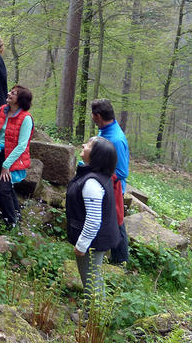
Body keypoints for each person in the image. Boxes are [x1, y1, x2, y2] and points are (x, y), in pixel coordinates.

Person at [66, 136, 121, 302]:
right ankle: (94, 312)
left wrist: (82, 244)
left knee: (91, 280)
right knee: (93, 277)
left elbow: (94, 219)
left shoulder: (92, 183)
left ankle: (95, 314)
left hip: (93, 241)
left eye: (89, 145)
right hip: (96, 239)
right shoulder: (97, 176)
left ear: (97, 155)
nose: (84, 145)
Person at [91, 99, 130, 264]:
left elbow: (122, 172)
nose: (92, 117)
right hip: (103, 185)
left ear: (98, 116)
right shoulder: (104, 131)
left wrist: (95, 170)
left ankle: (120, 261)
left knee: (117, 224)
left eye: (92, 115)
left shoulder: (116, 139)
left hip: (114, 189)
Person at [0, 85, 33, 228]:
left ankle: (11, 225)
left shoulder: (26, 118)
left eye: (13, 93)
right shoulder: (3, 110)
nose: (8, 94)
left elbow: (22, 146)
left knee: (2, 191)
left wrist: (6, 165)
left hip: (11, 159)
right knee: (8, 189)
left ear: (19, 100)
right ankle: (17, 221)